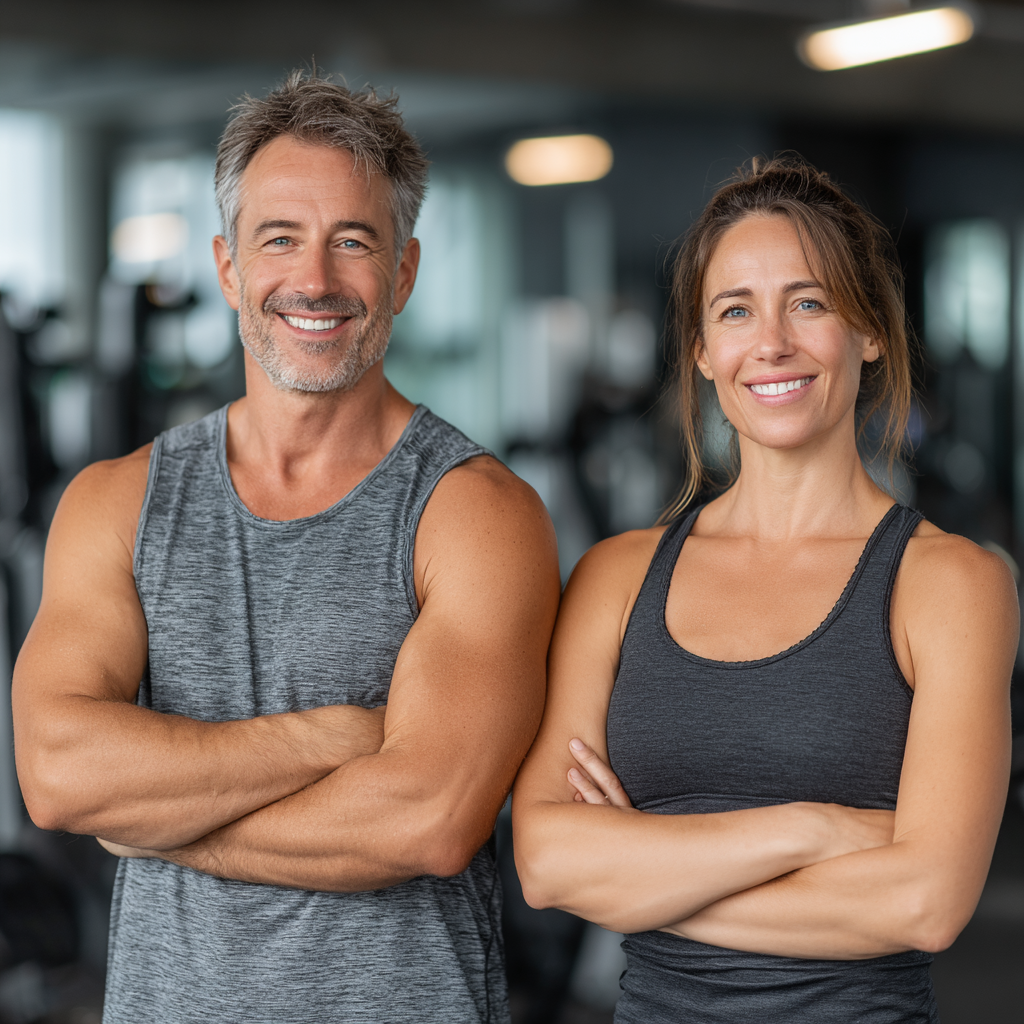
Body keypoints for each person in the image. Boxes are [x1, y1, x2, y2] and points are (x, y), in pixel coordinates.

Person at [13, 70, 560, 1024]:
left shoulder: (473, 513)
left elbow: (425, 822)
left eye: (353, 241)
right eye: (280, 239)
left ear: (404, 272)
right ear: (228, 267)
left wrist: (153, 823)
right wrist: (332, 738)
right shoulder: (116, 503)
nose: (314, 281)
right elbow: (59, 776)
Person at [511, 157, 1017, 1023]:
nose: (771, 342)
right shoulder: (616, 578)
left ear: (870, 330)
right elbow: (547, 863)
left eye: (809, 302)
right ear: (704, 353)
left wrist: (642, 876)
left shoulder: (950, 583)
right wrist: (814, 830)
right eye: (735, 310)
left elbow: (925, 904)